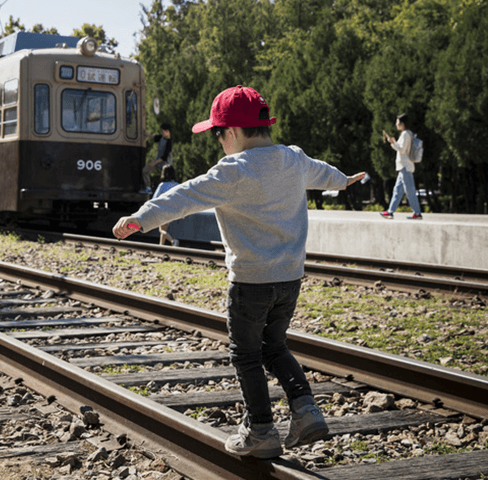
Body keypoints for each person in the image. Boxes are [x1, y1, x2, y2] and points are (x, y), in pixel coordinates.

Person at [113, 85, 366, 459]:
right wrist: (344, 180)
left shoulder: (233, 170)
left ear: (231, 133)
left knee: (246, 354)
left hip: (250, 282)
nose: (219, 143)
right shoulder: (293, 158)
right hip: (290, 279)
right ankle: (306, 409)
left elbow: (181, 197)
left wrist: (139, 219)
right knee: (275, 346)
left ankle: (260, 429)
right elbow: (322, 173)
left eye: (217, 135)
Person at [381, 113, 422, 219]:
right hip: (404, 166)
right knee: (397, 190)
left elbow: (402, 150)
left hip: (405, 166)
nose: (396, 124)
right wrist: (395, 142)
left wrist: (392, 144)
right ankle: (390, 211)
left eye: (398, 122)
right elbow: (403, 147)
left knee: (410, 190)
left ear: (402, 124)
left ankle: (417, 213)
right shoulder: (408, 133)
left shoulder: (405, 134)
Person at [152, 164, 180, 246]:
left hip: (163, 209)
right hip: (173, 210)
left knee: (161, 230)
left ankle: (173, 241)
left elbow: (155, 198)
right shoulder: (177, 185)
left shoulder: (162, 185)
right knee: (164, 229)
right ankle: (161, 246)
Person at [140, 122, 172, 194]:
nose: (161, 133)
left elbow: (164, 157)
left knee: (165, 178)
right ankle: (148, 188)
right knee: (145, 171)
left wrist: (154, 162)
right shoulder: (161, 137)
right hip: (158, 161)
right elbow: (154, 136)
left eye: (162, 132)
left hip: (165, 164)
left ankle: (166, 192)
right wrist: (146, 134)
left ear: (167, 132)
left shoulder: (169, 142)